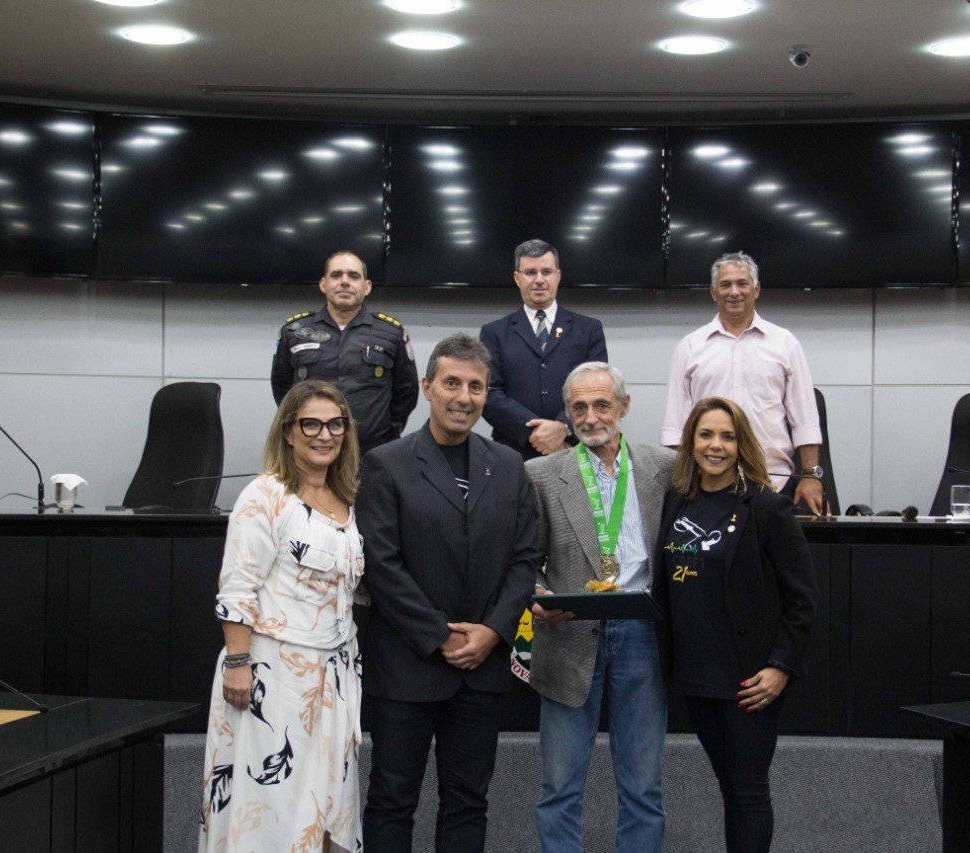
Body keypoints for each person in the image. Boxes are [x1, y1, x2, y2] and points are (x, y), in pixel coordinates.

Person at [357, 332, 539, 853]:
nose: (464, 396)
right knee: (393, 799)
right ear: (428, 387)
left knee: (468, 802)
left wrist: (492, 631)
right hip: (408, 666)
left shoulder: (507, 464)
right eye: (453, 383)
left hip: (481, 672)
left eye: (476, 387)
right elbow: (381, 564)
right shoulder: (386, 463)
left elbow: (526, 558)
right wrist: (438, 636)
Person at [200, 381, 365, 853]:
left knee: (330, 804)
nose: (324, 434)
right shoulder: (264, 495)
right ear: (289, 431)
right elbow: (237, 586)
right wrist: (237, 663)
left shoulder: (346, 498)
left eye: (335, 424)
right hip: (270, 678)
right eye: (310, 423)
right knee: (270, 810)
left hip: (333, 680)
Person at [652, 397, 818, 853]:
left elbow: (802, 599)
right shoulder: (676, 501)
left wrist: (781, 666)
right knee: (730, 788)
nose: (716, 446)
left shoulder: (765, 507)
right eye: (706, 435)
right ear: (691, 442)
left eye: (727, 436)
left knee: (747, 793)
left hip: (747, 681)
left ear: (741, 444)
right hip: (694, 677)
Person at [525, 362, 676, 853]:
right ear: (567, 414)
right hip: (568, 635)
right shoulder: (541, 475)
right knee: (560, 789)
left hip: (642, 639)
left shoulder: (664, 468)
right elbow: (521, 559)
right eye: (579, 408)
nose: (591, 417)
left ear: (624, 408)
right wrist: (538, 594)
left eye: (602, 405)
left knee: (643, 788)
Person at [660, 251, 827, 514]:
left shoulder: (785, 343)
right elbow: (675, 428)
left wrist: (811, 476)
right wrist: (683, 484)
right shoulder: (690, 347)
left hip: (773, 483)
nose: (734, 292)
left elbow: (805, 420)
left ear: (756, 289)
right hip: (707, 485)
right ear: (714, 292)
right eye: (725, 285)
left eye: (742, 283)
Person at [271, 250, 418, 454]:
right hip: (313, 449)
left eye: (354, 276)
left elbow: (407, 391)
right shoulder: (294, 332)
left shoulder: (391, 333)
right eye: (336, 275)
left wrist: (387, 430)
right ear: (323, 284)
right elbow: (282, 388)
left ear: (366, 287)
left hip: (372, 452)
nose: (345, 281)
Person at [480, 239, 609, 461]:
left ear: (558, 276)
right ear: (517, 278)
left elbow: (600, 391)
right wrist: (535, 433)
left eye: (546, 272)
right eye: (530, 272)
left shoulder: (589, 329)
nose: (539, 280)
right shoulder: (494, 333)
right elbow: (488, 394)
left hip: (574, 448)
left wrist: (563, 427)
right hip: (513, 454)